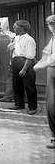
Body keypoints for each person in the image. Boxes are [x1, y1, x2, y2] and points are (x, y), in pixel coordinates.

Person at [33, 15, 55, 149]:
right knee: (51, 105)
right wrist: (41, 62)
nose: (52, 27)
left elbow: (52, 58)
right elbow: (46, 54)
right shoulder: (52, 38)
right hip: (52, 74)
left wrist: (39, 65)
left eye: (54, 24)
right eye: (50, 25)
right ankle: (54, 135)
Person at [8, 19, 37, 115]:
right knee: (17, 84)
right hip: (16, 61)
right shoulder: (17, 38)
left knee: (29, 85)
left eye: (15, 26)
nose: (13, 28)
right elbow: (15, 47)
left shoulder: (29, 40)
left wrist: (24, 69)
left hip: (26, 62)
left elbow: (30, 56)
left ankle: (32, 107)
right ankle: (19, 103)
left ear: (22, 28)